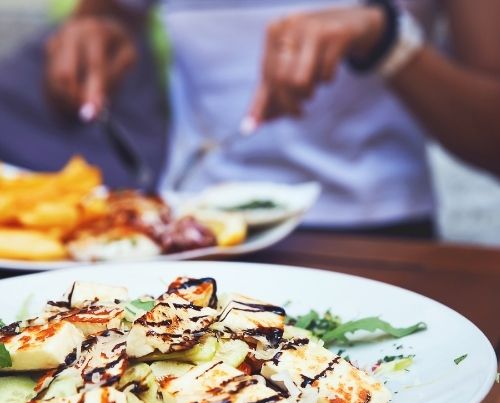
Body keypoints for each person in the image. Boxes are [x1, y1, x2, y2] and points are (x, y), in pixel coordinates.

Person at [3, 0, 500, 237]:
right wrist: (95, 29)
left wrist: (387, 41)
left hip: (376, 239)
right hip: (193, 231)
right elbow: (111, 12)